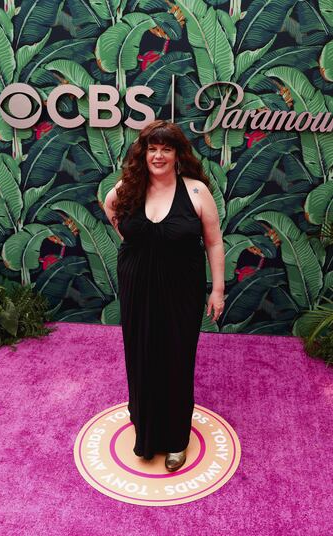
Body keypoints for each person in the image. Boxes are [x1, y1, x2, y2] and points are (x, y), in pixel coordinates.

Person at [104, 119, 225, 472]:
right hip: (136, 286)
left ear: (177, 154)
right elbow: (110, 207)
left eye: (166, 149)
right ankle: (145, 433)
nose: (158, 155)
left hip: (181, 290)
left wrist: (217, 290)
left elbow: (214, 242)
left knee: (175, 358)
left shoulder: (197, 191)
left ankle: (175, 440)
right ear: (143, 153)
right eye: (152, 148)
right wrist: (133, 242)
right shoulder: (128, 188)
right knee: (141, 354)